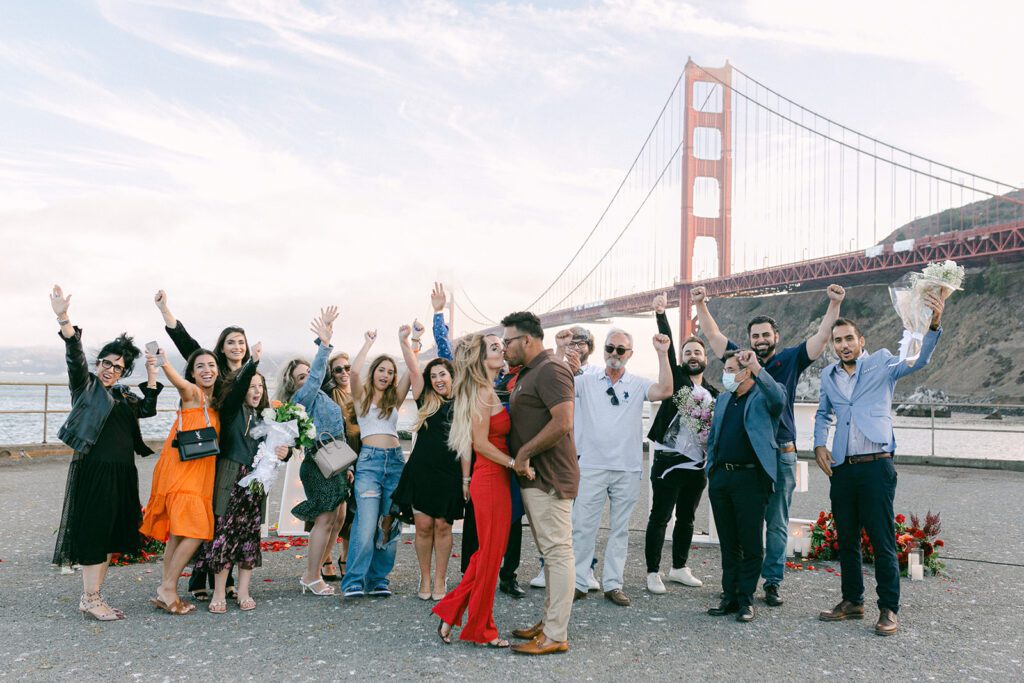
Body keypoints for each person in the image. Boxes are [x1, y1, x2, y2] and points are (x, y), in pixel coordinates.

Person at [694, 283, 845, 607]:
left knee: (776, 523)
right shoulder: (739, 358)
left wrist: (834, 304)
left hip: (782, 453)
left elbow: (820, 338)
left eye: (766, 335)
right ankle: (737, 585)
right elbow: (712, 334)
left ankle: (772, 582)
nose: (760, 340)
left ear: (776, 336)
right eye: (755, 336)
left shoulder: (790, 360)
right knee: (742, 525)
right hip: (748, 460)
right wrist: (701, 303)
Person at [814, 293, 946, 637]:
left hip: (876, 465)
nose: (843, 345)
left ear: (861, 342)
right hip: (842, 467)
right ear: (833, 345)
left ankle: (888, 608)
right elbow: (823, 412)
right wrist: (818, 444)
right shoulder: (828, 375)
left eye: (848, 339)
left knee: (882, 539)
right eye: (837, 340)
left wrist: (932, 325)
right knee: (846, 539)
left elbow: (918, 362)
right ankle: (852, 601)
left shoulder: (883, 363)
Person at [50, 285, 163, 621]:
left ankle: (94, 597)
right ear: (98, 363)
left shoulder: (126, 397)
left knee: (111, 534)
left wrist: (153, 372)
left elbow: (149, 409)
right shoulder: (86, 387)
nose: (110, 369)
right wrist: (63, 317)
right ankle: (90, 597)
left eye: (118, 366)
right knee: (95, 532)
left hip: (121, 471)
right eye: (106, 362)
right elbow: (74, 355)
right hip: (95, 469)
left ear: (125, 370)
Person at [154, 289, 250, 601]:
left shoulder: (252, 376)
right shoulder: (213, 373)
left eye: (241, 342)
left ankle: (204, 580)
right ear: (222, 348)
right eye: (231, 342)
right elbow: (187, 347)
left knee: (222, 518)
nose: (236, 347)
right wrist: (166, 311)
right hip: (201, 454)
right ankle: (191, 577)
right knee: (201, 519)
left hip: (226, 453)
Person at [570, 329, 674, 607]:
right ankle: (579, 581)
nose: (614, 354)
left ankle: (613, 584)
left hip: (626, 468)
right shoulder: (587, 380)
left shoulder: (638, 383)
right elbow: (560, 384)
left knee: (620, 529)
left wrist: (663, 354)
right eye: (610, 348)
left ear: (629, 354)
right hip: (592, 465)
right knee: (583, 526)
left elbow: (665, 390)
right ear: (603, 350)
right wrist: (561, 351)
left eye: (620, 350)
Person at [434, 334, 525, 647]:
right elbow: (481, 444)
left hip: (496, 478)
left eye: (502, 345)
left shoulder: (487, 389)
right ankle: (481, 630)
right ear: (481, 358)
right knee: (489, 556)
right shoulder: (480, 393)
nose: (502, 349)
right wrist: (515, 463)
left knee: (487, 555)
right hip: (490, 477)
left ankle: (451, 611)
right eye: (495, 347)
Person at [193, 343, 290, 613]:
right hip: (231, 475)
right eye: (251, 386)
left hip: (256, 483)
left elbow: (281, 448)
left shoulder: (268, 417)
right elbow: (236, 391)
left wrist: (286, 451)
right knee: (223, 533)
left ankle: (244, 590)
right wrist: (252, 365)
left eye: (261, 387)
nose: (256, 391)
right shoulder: (232, 409)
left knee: (249, 535)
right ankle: (219, 592)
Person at [502, 311, 577, 656]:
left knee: (558, 554)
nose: (504, 348)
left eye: (508, 341)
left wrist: (525, 454)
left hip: (548, 476)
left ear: (527, 340)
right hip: (536, 477)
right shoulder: (531, 372)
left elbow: (563, 423)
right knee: (550, 552)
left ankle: (556, 634)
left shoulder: (551, 370)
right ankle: (548, 622)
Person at [644, 293, 720, 594]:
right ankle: (652, 572)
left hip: (697, 463)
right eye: (687, 352)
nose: (692, 356)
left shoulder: (714, 391)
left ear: (705, 359)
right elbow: (669, 345)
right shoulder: (675, 379)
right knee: (660, 516)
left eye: (697, 353)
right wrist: (661, 314)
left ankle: (678, 567)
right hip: (668, 460)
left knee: (687, 517)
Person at [140, 346, 222, 615]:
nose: (207, 370)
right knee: (199, 529)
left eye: (211, 365)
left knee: (178, 533)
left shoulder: (215, 401)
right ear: (192, 373)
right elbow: (180, 384)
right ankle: (168, 588)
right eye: (200, 366)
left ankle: (167, 590)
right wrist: (163, 364)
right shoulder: (193, 394)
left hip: (200, 474)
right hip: (184, 472)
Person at [704, 349, 785, 623]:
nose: (726, 375)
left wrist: (758, 367)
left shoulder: (764, 395)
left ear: (746, 371)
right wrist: (711, 471)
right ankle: (729, 596)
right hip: (722, 479)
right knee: (728, 542)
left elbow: (779, 400)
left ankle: (746, 599)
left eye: (730, 369)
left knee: (750, 542)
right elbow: (714, 436)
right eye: (725, 369)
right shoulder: (724, 398)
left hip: (751, 479)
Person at [394, 284, 464, 601]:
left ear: (452, 376)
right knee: (422, 526)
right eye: (434, 375)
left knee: (443, 527)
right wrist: (405, 342)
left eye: (442, 375)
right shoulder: (425, 398)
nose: (438, 379)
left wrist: (439, 313)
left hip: (449, 471)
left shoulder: (463, 400)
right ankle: (424, 580)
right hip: (422, 469)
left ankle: (440, 580)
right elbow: (411, 365)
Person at [278, 307, 350, 597]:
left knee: (339, 518)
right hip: (318, 463)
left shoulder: (323, 395)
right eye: (300, 377)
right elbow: (320, 369)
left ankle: (317, 568)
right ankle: (310, 576)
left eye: (308, 374)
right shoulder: (302, 398)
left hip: (337, 461)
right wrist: (324, 344)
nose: (308, 379)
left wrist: (349, 465)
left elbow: (339, 430)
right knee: (324, 518)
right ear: (293, 384)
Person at [340, 328, 413, 598]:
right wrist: (367, 343)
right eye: (381, 370)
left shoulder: (394, 399)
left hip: (395, 463)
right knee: (366, 523)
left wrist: (410, 343)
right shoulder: (362, 398)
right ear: (374, 373)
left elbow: (411, 374)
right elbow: (355, 373)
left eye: (390, 372)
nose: (386, 375)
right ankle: (354, 581)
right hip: (369, 464)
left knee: (390, 522)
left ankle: (379, 579)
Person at [318, 349, 359, 582]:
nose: (344, 372)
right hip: (334, 457)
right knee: (331, 512)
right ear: (331, 374)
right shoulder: (329, 393)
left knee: (353, 513)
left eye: (348, 367)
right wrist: (325, 344)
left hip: (359, 454)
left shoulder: (359, 393)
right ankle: (325, 559)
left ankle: (345, 558)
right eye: (338, 369)